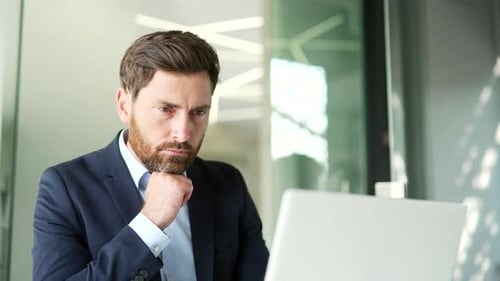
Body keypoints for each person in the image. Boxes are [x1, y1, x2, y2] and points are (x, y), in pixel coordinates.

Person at [32, 30, 269, 281]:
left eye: (198, 112)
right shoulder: (66, 188)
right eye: (166, 109)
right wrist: (149, 223)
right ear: (125, 105)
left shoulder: (227, 183)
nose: (183, 133)